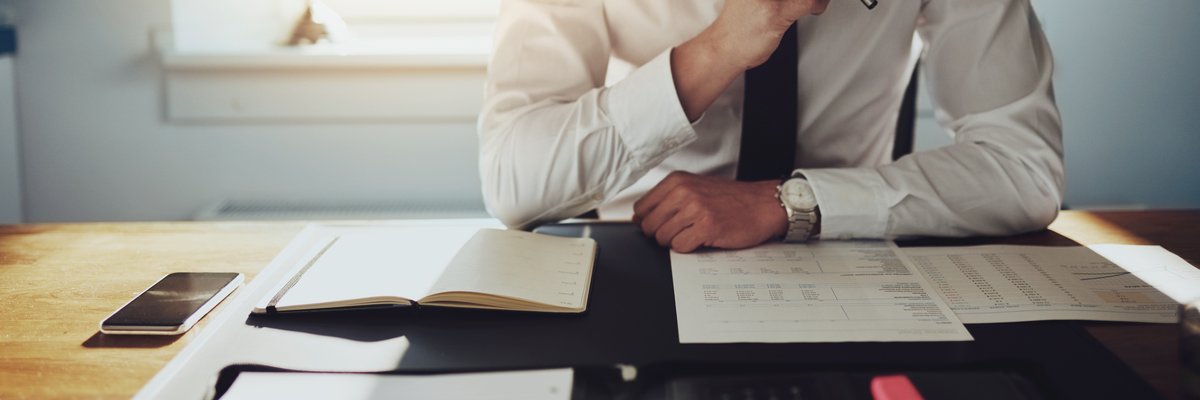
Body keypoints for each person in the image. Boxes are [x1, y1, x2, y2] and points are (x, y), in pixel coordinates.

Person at [478, 0, 1063, 253]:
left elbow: (1023, 168)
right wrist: (715, 52)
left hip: (849, 254)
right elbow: (513, 179)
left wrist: (791, 203)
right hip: (635, 254)